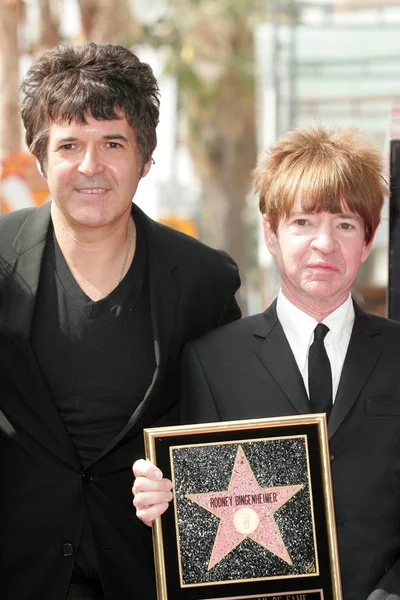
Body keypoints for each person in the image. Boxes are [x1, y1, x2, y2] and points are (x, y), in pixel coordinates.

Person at [0, 42, 241, 600]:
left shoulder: (205, 282)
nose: (91, 167)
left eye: (113, 143)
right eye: (69, 146)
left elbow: (226, 435)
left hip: (148, 572)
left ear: (145, 160)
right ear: (40, 160)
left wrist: (189, 490)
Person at [133, 125, 400, 600]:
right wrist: (167, 502)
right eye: (302, 223)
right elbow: (204, 520)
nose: (324, 243)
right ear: (271, 232)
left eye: (344, 224)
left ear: (368, 238)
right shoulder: (212, 361)